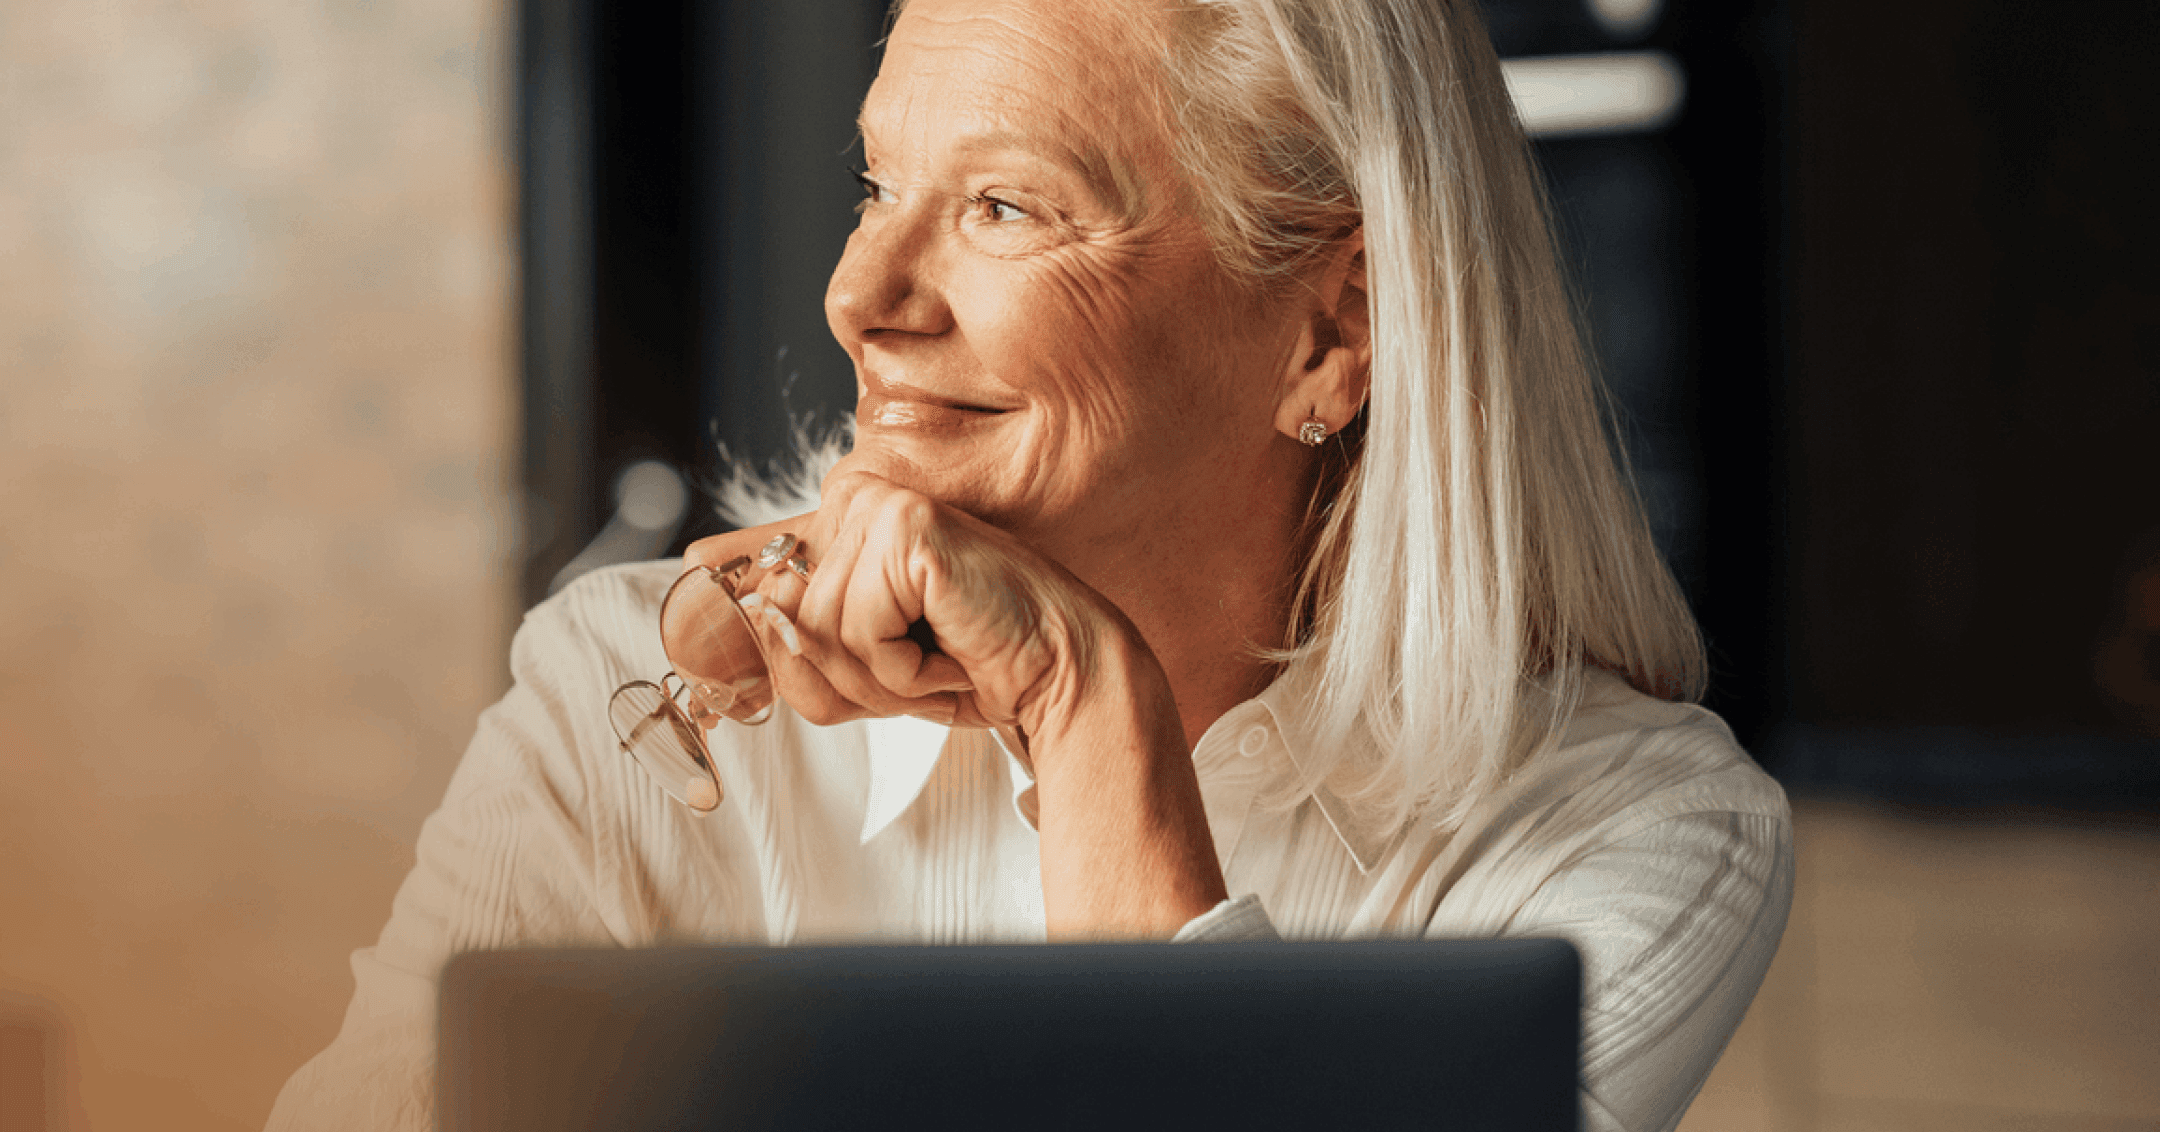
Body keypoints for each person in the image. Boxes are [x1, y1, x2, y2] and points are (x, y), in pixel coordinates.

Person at [268, 0, 1791, 1128]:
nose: (860, 295)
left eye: (1005, 206)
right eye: (879, 186)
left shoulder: (1628, 838)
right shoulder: (626, 686)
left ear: (1335, 329)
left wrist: (1087, 712)